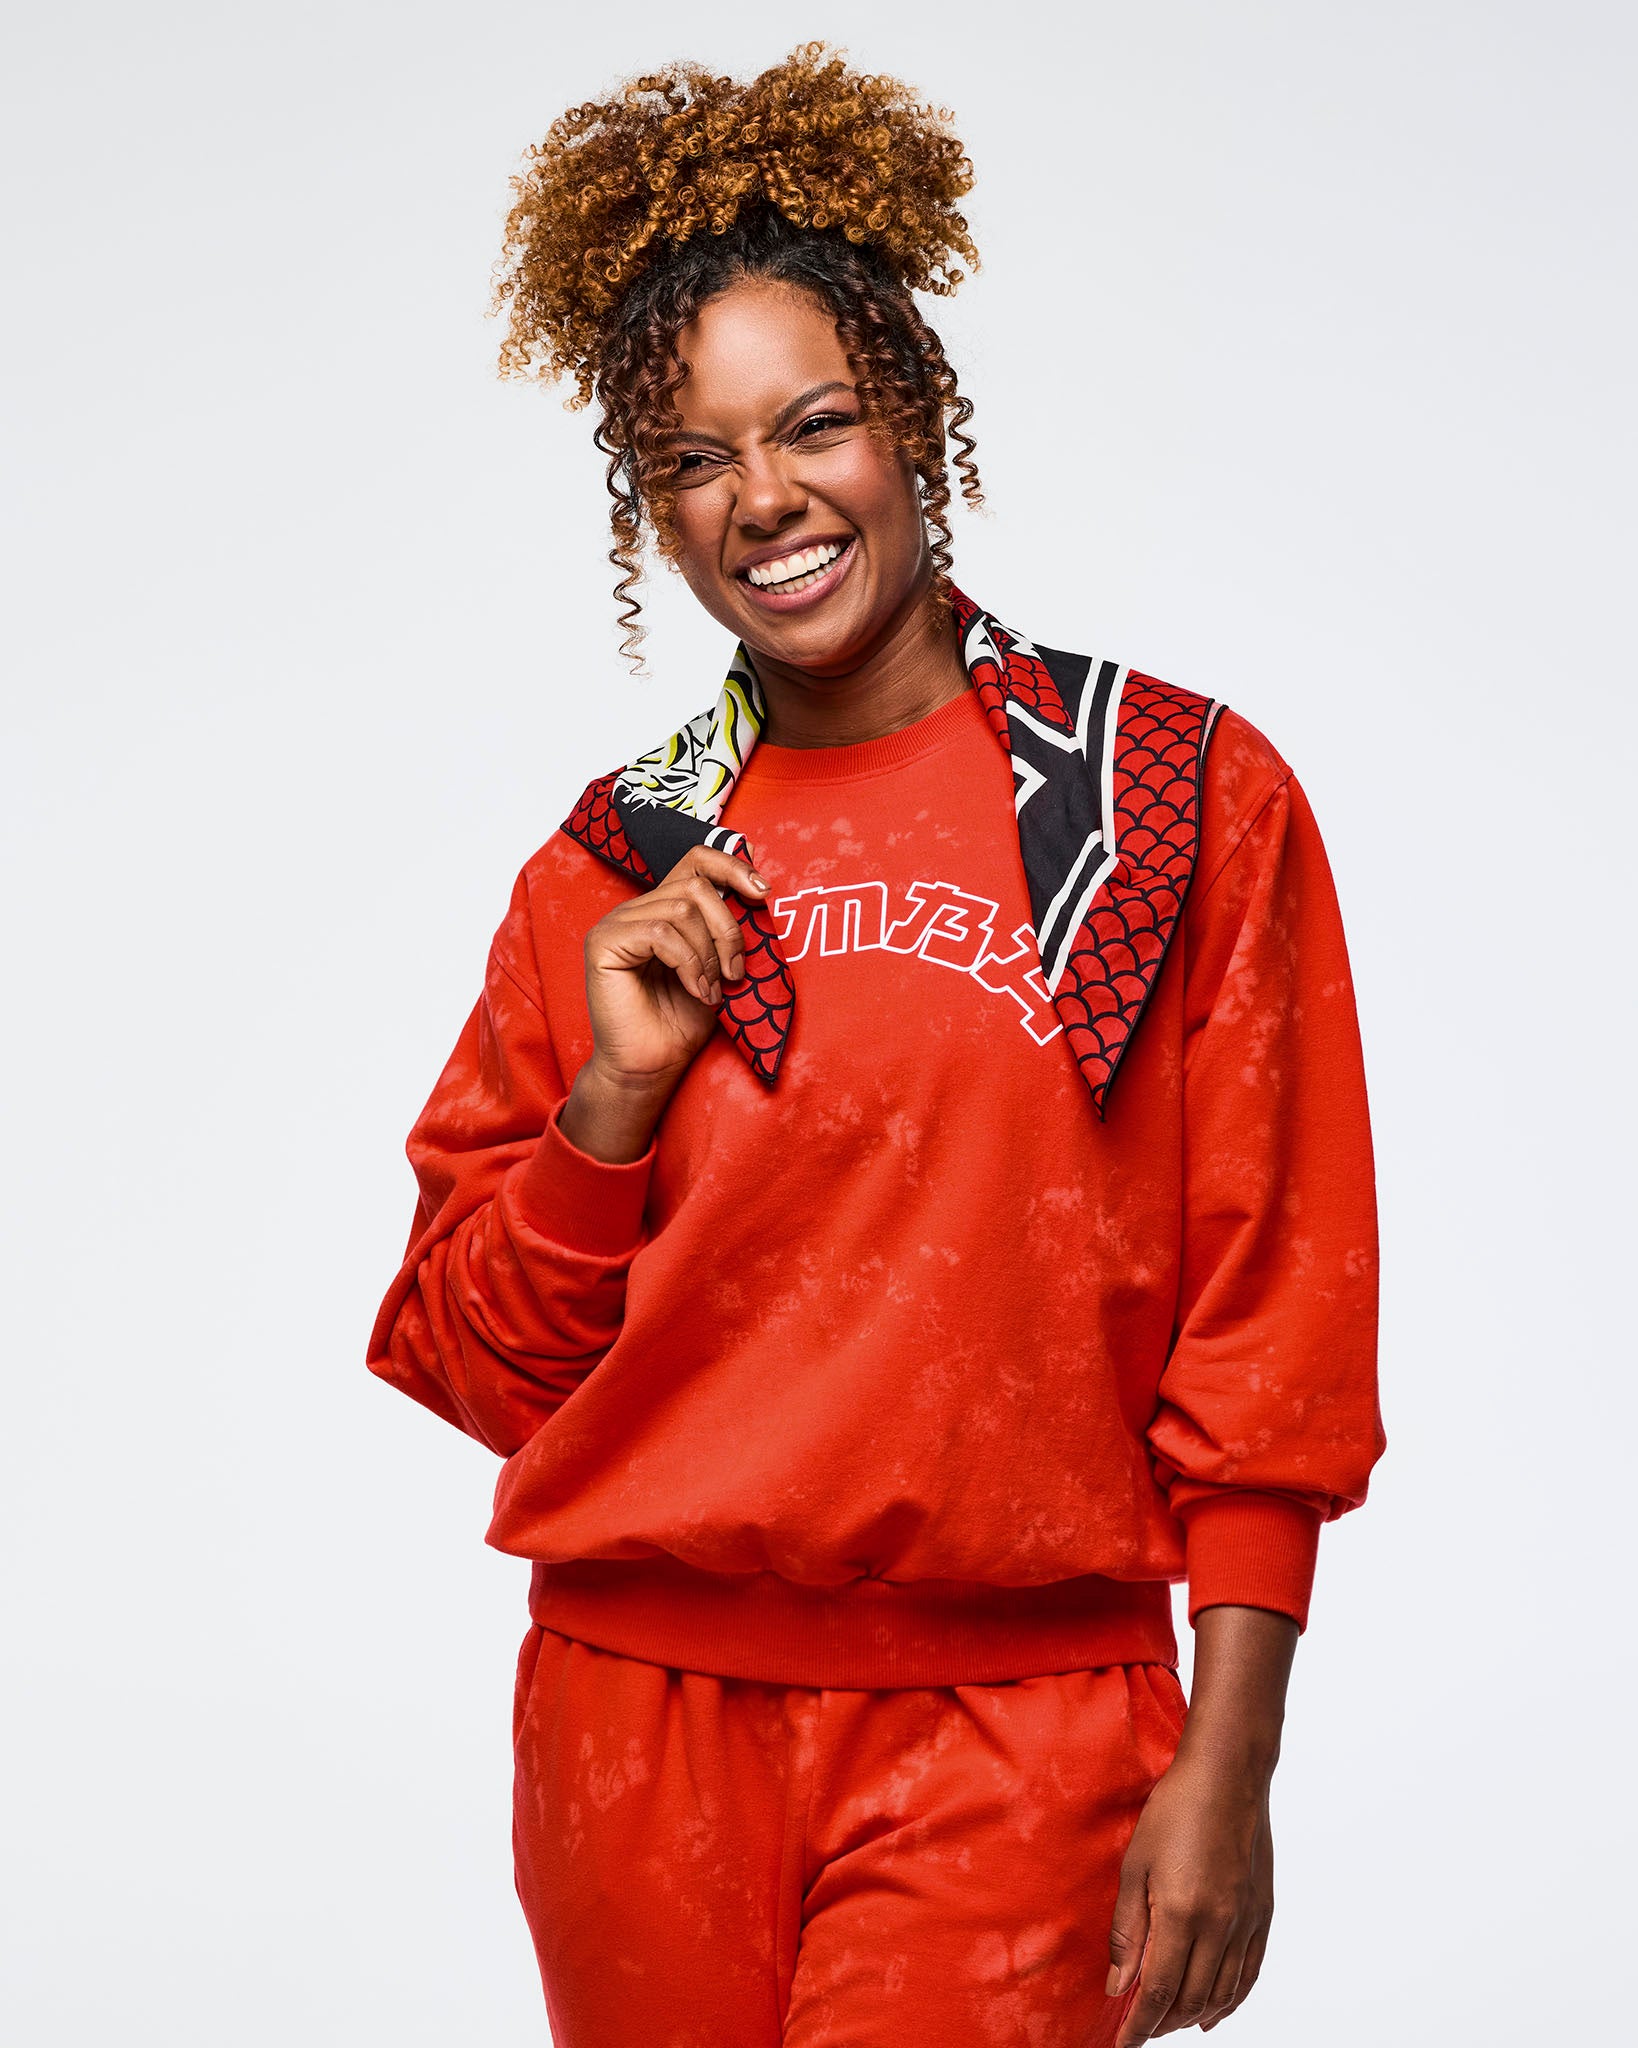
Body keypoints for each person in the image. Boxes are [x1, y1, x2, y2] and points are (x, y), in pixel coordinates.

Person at [366, 43, 1385, 2048]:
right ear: (649, 510)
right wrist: (609, 1107)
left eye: (814, 422)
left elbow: (1275, 1323)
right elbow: (470, 1362)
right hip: (630, 1728)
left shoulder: (1164, 801)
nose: (764, 498)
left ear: (911, 412)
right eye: (692, 460)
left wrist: (1235, 1754)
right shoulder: (615, 861)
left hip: (1021, 1724)